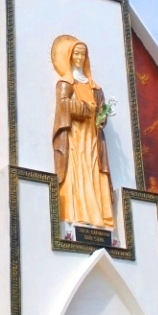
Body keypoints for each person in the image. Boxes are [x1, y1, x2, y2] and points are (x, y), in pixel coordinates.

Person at [51, 36, 114, 229]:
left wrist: (102, 116)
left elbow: (101, 109)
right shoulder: (65, 82)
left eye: (83, 54)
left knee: (94, 170)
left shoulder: (95, 86)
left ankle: (97, 214)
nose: (79, 57)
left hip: (93, 136)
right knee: (78, 171)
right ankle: (77, 212)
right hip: (76, 136)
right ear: (69, 56)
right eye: (76, 54)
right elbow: (63, 105)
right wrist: (87, 108)